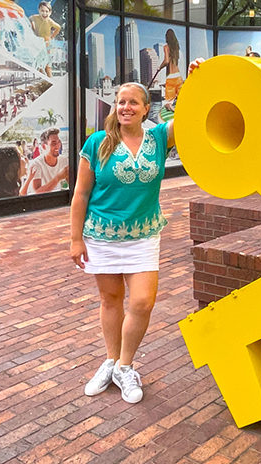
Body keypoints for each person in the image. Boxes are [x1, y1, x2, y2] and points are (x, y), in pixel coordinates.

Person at [70, 63, 201, 402]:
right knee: (110, 300)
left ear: (146, 109)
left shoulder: (158, 138)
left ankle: (125, 367)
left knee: (142, 302)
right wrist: (75, 238)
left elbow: (188, 116)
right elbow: (81, 194)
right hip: (101, 235)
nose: (125, 107)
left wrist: (193, 80)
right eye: (120, 102)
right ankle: (111, 361)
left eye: (132, 102)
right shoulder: (97, 143)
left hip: (143, 235)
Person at [22, 128, 68, 195]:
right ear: (44, 146)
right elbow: (37, 193)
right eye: (53, 143)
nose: (58, 146)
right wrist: (58, 178)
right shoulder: (36, 164)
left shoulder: (64, 160)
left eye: (59, 142)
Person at [29, 1, 61, 77]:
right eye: (42, 11)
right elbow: (31, 18)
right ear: (39, 10)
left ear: (50, 13)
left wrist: (52, 36)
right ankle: (43, 78)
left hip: (47, 43)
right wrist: (33, 26)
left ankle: (50, 79)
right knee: (38, 64)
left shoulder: (50, 21)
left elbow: (58, 27)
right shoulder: (35, 17)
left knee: (47, 66)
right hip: (39, 43)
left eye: (47, 11)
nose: (44, 13)